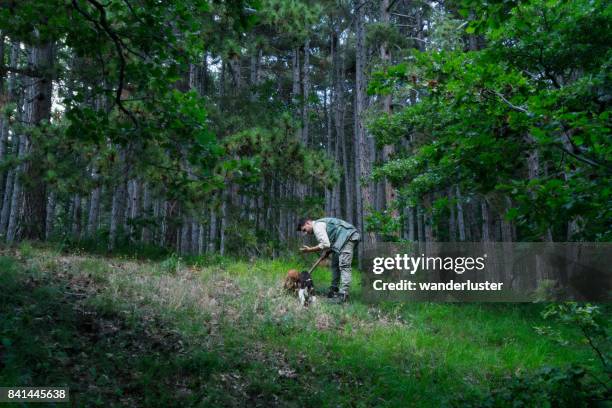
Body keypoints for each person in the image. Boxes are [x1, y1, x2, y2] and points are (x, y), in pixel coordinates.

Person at [297, 217, 360, 303]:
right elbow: (330, 242)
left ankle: (343, 294)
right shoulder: (319, 225)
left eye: (304, 230)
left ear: (308, 223)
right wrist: (326, 252)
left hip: (348, 236)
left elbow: (325, 244)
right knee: (335, 264)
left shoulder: (317, 226)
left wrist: (310, 250)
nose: (306, 233)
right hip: (341, 240)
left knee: (344, 265)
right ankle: (334, 290)